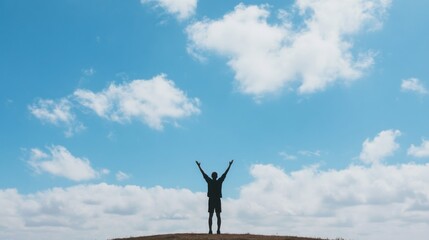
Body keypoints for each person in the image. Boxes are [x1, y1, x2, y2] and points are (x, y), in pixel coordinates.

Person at [196, 160, 233, 234]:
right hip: (216, 199)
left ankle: (211, 230)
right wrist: (229, 165)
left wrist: (199, 166)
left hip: (212, 199)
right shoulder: (219, 181)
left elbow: (204, 174)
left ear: (212, 176)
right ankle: (217, 230)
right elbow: (225, 174)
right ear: (216, 176)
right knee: (217, 215)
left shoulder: (210, 181)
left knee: (211, 215)